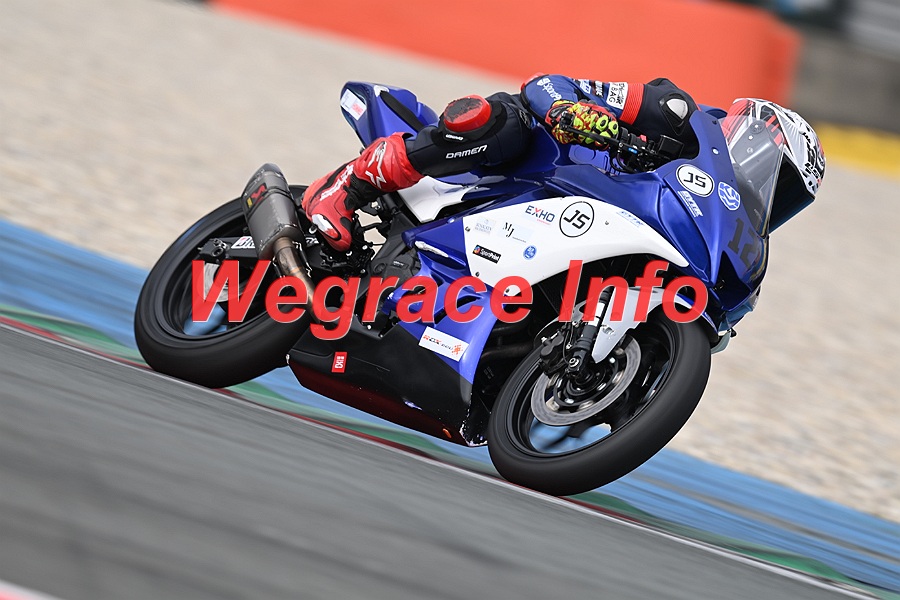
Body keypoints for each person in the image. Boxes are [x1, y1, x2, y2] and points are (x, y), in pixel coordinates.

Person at [301, 74, 701, 251]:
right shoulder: (675, 114)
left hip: (561, 226)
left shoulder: (702, 218)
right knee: (505, 124)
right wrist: (566, 110)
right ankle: (348, 185)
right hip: (525, 166)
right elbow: (547, 83)